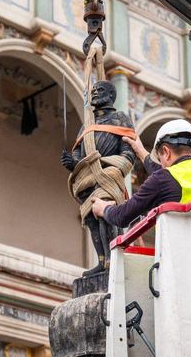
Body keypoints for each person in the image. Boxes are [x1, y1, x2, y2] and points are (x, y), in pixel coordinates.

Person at [61, 80, 136, 275]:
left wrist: (107, 166)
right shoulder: (88, 125)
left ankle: (112, 260)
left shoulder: (121, 119)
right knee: (92, 219)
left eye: (99, 90)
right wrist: (72, 162)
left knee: (106, 215)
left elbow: (128, 153)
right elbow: (79, 152)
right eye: (93, 91)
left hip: (108, 175)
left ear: (111, 95)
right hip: (88, 178)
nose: (94, 94)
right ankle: (102, 261)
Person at [91, 119, 191, 227]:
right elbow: (168, 177)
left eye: (160, 158)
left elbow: (122, 217)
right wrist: (141, 151)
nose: (162, 164)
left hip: (179, 254)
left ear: (166, 151)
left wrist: (103, 209)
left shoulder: (163, 179)